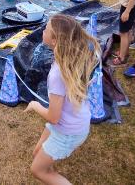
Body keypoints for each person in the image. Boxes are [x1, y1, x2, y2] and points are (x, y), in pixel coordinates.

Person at [24, 14, 97, 184]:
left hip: (67, 130)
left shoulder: (57, 74)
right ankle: (52, 176)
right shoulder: (71, 58)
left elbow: (53, 117)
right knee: (37, 154)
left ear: (55, 40)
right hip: (69, 121)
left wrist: (35, 105)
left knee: (37, 169)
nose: (43, 31)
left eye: (46, 29)